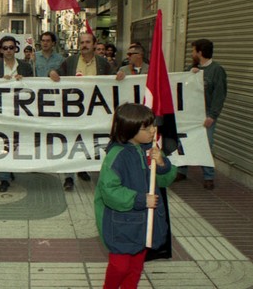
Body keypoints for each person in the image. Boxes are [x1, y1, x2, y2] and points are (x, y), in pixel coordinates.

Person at [94, 103, 176, 289]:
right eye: (146, 128)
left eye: (153, 125)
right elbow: (109, 191)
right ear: (129, 129)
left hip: (146, 222)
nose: (153, 130)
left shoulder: (152, 149)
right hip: (122, 224)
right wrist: (139, 199)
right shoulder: (117, 155)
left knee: (136, 266)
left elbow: (165, 180)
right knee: (120, 267)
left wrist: (163, 164)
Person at [49, 32, 113, 189]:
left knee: (90, 141)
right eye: (82, 42)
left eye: (87, 42)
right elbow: (56, 73)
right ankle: (69, 177)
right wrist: (51, 73)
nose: (84, 45)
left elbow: (114, 79)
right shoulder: (70, 61)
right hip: (74, 110)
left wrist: (120, 76)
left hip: (95, 110)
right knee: (72, 141)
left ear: (94, 44)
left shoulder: (102, 63)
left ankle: (85, 168)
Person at [175, 39, 227, 190]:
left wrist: (212, 115)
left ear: (200, 52)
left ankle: (208, 176)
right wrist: (190, 76)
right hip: (190, 114)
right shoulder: (191, 68)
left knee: (206, 144)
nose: (192, 54)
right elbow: (181, 87)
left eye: (193, 51)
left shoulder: (217, 70)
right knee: (183, 142)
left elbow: (219, 94)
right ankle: (181, 170)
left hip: (206, 114)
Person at [0, 35, 33, 192]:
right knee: (1, 143)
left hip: (20, 113)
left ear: (16, 49)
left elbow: (35, 88)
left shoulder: (26, 67)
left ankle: (12, 167)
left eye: (11, 47)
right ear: (0, 50)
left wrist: (24, 81)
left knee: (16, 143)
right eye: (5, 48)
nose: (8, 51)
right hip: (0, 113)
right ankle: (4, 178)